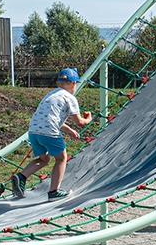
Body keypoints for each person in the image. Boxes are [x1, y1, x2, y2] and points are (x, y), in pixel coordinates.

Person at [9, 68, 93, 201]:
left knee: (44, 159)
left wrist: (69, 131)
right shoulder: (70, 98)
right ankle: (54, 191)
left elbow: (50, 118)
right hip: (49, 132)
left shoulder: (50, 95)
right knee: (61, 158)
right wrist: (89, 119)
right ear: (73, 84)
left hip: (33, 132)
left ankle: (21, 177)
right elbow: (80, 122)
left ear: (58, 83)